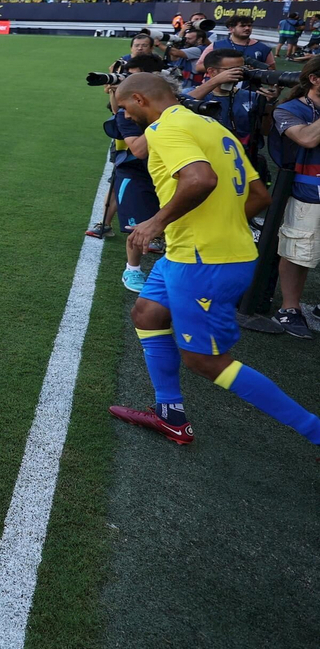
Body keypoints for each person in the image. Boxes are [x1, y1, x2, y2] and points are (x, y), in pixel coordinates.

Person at [108, 73, 320, 446]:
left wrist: (155, 222)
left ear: (140, 99)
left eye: (125, 108)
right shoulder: (213, 126)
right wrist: (220, 225)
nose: (127, 116)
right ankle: (169, 415)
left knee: (205, 360)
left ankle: (315, 431)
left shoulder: (164, 128)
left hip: (203, 262)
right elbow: (259, 196)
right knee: (147, 313)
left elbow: (200, 180)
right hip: (189, 253)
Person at [270, 56, 320, 340]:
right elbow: (307, 139)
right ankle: (289, 308)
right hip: (308, 189)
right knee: (299, 251)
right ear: (314, 79)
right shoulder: (288, 109)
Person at [108, 55, 167, 292]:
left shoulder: (174, 105)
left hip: (169, 171)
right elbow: (139, 150)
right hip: (135, 170)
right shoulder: (126, 115)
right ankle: (132, 269)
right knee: (137, 225)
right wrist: (167, 120)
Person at [188, 48, 277, 183]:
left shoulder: (252, 97)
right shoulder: (193, 93)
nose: (239, 74)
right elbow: (175, 107)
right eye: (232, 70)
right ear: (212, 71)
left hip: (242, 163)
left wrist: (269, 105)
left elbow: (264, 130)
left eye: (242, 69)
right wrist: (215, 81)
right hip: (204, 163)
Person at [197, 14, 274, 72]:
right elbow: (199, 67)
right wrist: (225, 67)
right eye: (242, 26)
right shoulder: (216, 45)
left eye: (249, 25)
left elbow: (272, 70)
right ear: (231, 29)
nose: (247, 28)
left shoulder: (263, 48)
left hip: (249, 90)